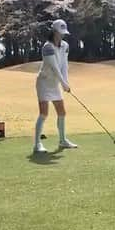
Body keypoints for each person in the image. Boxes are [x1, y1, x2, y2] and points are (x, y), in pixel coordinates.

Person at [33, 19, 78, 153]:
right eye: (60, 32)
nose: (62, 35)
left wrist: (66, 82)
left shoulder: (65, 46)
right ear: (54, 31)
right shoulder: (47, 47)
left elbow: (64, 65)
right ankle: (37, 144)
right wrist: (63, 83)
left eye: (63, 33)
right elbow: (54, 68)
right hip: (44, 82)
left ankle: (63, 140)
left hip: (55, 83)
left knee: (62, 112)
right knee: (44, 113)